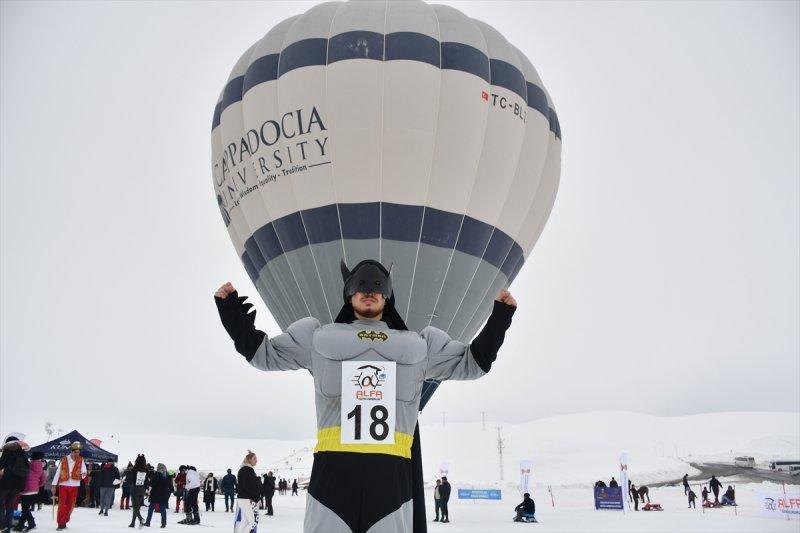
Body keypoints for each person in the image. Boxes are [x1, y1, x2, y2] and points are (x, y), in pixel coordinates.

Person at [215, 259, 516, 533]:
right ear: (349, 294)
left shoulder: (419, 346)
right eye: (361, 286)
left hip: (391, 477)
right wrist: (231, 311)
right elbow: (263, 355)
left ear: (387, 294)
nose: (368, 292)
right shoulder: (319, 338)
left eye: (377, 287)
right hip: (334, 473)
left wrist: (500, 317)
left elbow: (473, 363)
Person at [52, 441, 87, 531]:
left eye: (78, 452)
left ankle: (65, 521)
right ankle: (60, 523)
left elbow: (84, 471)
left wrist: (83, 474)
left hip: (75, 485)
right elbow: (58, 472)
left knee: (70, 505)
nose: (77, 454)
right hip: (64, 484)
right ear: (71, 451)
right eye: (75, 452)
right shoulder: (64, 459)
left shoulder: (81, 459)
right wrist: (54, 484)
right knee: (62, 504)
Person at [0, 434, 30, 533]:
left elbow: (1, 464)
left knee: (1, 503)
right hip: (17, 484)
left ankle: (1, 525)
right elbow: (26, 469)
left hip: (6, 482)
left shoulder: (7, 451)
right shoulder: (22, 453)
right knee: (10, 505)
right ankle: (7, 527)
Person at [17, 450, 45, 532]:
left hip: (26, 488)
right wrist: (37, 485)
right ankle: (22, 525)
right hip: (34, 489)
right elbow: (43, 479)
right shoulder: (41, 466)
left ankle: (30, 524)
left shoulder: (28, 463)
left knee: (25, 508)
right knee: (26, 508)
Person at [234, 451, 262, 533]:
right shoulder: (247, 470)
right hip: (245, 499)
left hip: (243, 498)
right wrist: (256, 496)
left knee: (245, 521)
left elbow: (247, 484)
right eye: (254, 458)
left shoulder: (244, 469)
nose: (256, 460)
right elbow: (248, 486)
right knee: (252, 521)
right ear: (249, 460)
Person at [145, 463, 172, 528]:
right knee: (163, 509)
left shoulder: (156, 474)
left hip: (155, 494)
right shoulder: (167, 476)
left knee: (151, 509)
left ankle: (148, 522)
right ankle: (163, 523)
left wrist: (150, 481)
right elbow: (169, 485)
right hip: (163, 494)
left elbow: (152, 484)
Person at [126, 454, 149, 528]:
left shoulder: (134, 469)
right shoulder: (146, 470)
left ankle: (140, 519)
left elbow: (130, 480)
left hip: (135, 489)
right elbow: (146, 481)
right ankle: (133, 523)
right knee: (137, 507)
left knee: (135, 507)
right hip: (142, 489)